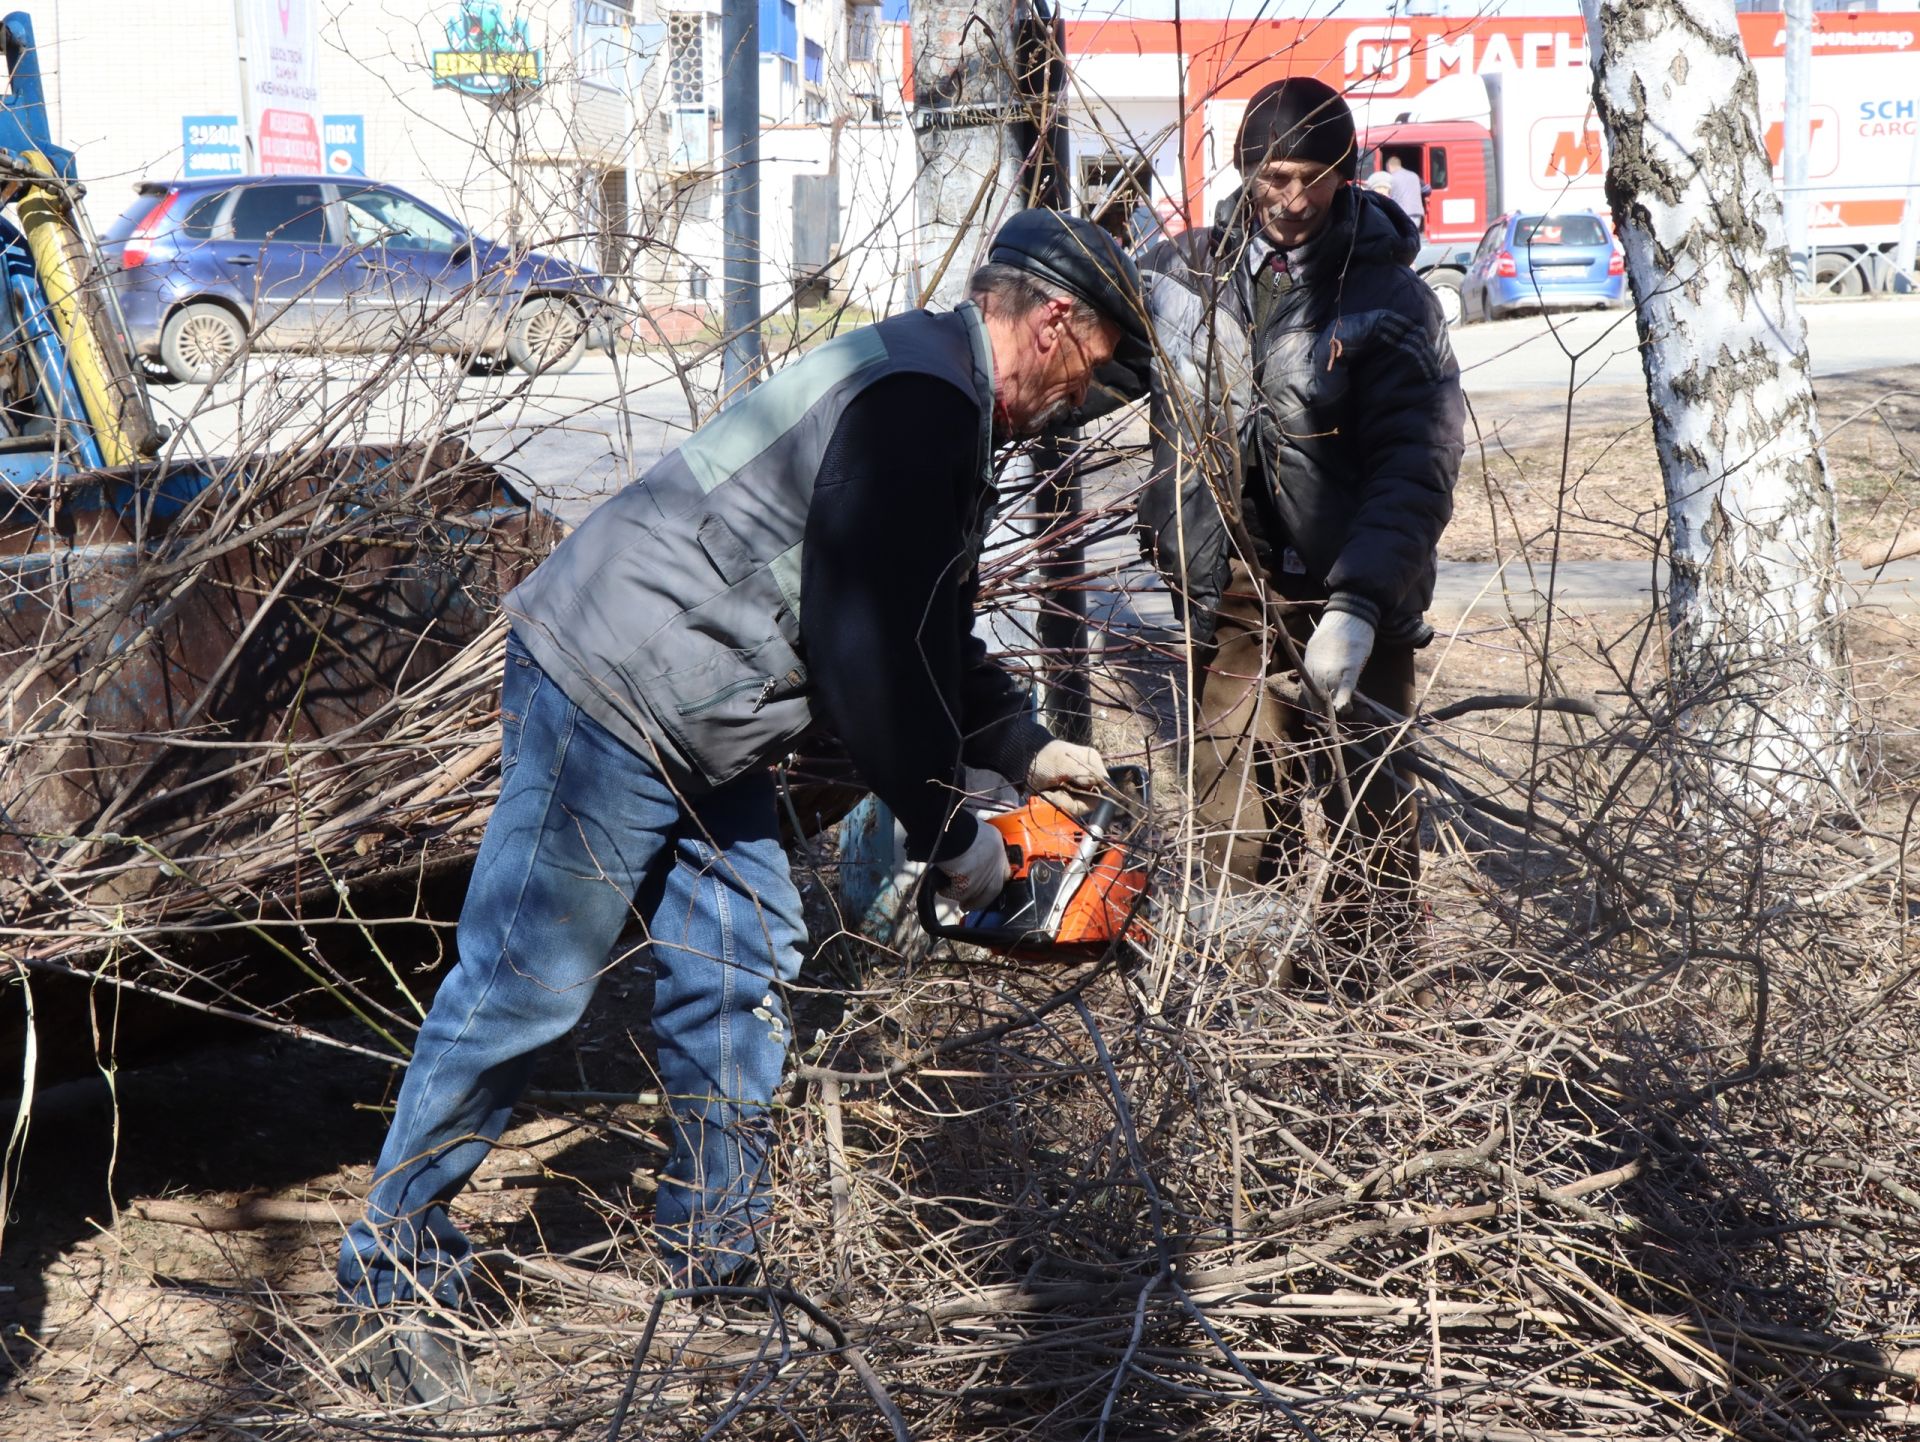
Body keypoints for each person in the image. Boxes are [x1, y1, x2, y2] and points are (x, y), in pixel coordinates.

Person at [332, 208, 1151, 1409]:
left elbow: (923, 620)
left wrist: (1026, 747)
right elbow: (866, 648)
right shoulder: (921, 402)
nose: (1081, 408)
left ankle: (717, 1260)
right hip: (617, 677)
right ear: (1052, 321)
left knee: (741, 951)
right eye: (1091, 377)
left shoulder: (933, 391)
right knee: (525, 978)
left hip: (707, 703)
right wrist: (952, 836)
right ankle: (388, 1274)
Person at [1136, 76, 1463, 963]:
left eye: (1315, 178)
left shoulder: (1392, 301)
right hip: (1232, 585)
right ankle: (1242, 995)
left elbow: (1417, 465)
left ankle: (1370, 991)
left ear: (1347, 175)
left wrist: (1359, 603)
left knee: (1369, 805)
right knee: (1232, 800)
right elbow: (1082, 370)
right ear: (1245, 169)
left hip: (1351, 588)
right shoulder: (1182, 277)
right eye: (1275, 177)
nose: (1292, 200)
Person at [1384, 153, 1426, 233]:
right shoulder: (1414, 175)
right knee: (1413, 235)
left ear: (1389, 166)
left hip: (1401, 213)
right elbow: (1427, 189)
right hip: (1417, 212)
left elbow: (1387, 195)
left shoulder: (1391, 178)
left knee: (1403, 237)